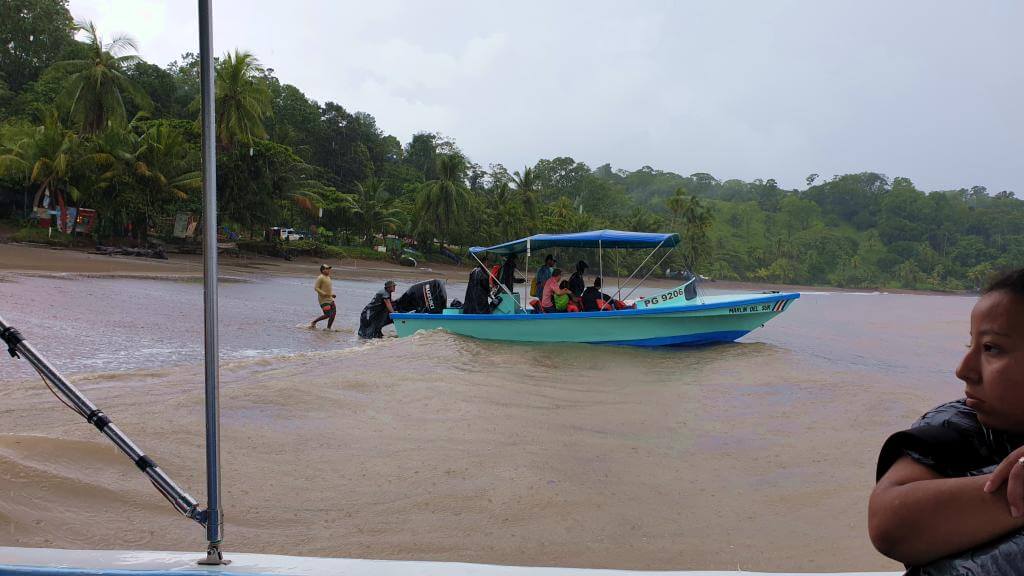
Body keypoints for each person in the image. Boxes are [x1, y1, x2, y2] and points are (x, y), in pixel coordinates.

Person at [869, 269, 1024, 574]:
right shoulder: (960, 423)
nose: (963, 370)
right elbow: (889, 523)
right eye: (972, 346)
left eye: (991, 348)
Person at [310, 264, 336, 329]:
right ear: (323, 270)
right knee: (327, 314)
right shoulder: (320, 277)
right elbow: (316, 288)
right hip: (323, 299)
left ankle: (328, 328)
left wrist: (332, 294)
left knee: (333, 314)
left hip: (330, 298)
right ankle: (314, 322)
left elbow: (327, 288)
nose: (328, 270)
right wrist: (323, 293)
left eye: (329, 269)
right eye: (327, 269)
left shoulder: (328, 277)